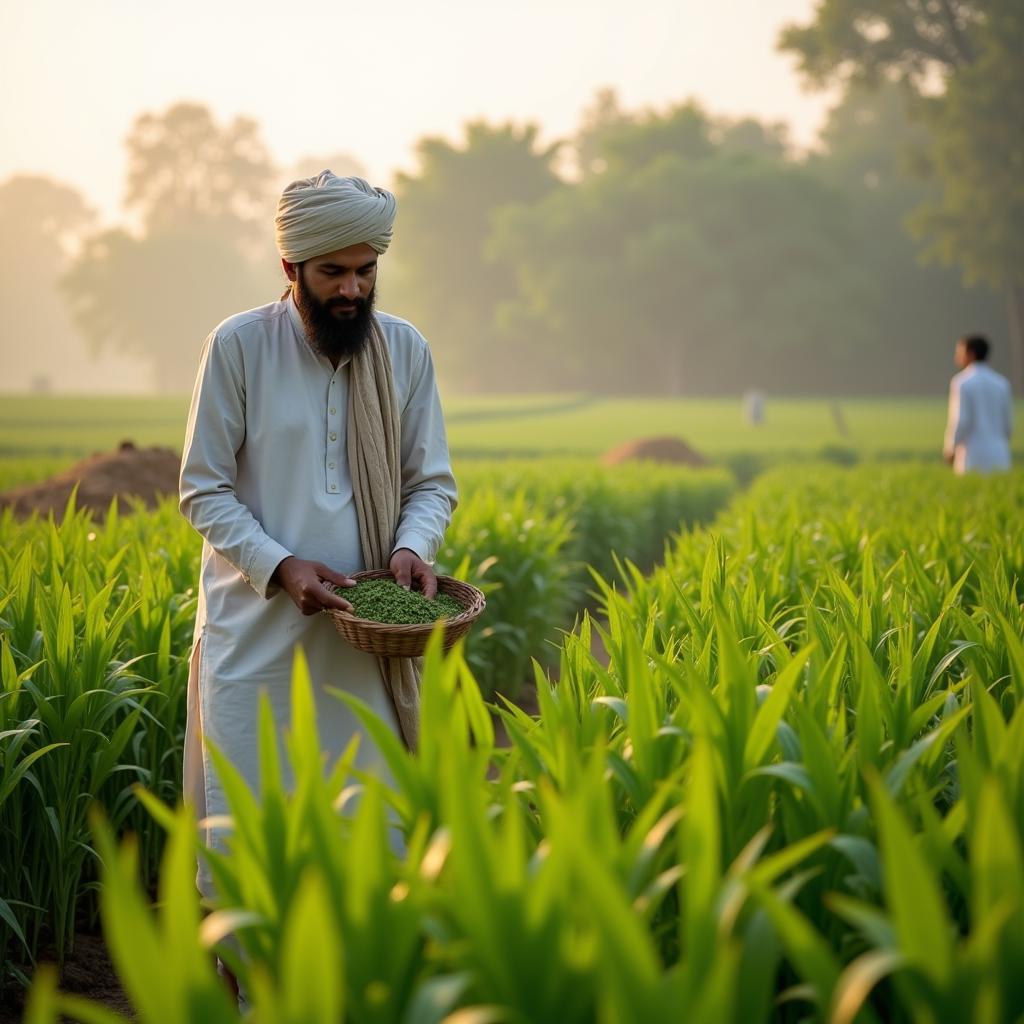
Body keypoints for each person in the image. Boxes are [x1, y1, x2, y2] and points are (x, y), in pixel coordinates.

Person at [178, 172, 457, 996]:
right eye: (334, 273)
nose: (353, 290)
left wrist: (411, 546)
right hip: (253, 643)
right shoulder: (238, 346)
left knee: (374, 833)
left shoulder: (404, 349)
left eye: (366, 271)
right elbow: (203, 487)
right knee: (251, 843)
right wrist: (282, 566)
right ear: (290, 265)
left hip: (361, 652)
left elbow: (431, 481)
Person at [942, 335, 1013, 474]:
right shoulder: (1002, 383)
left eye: (960, 353)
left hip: (972, 455)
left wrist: (950, 447)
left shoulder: (961, 382)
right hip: (1000, 454)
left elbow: (961, 421)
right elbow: (1008, 425)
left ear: (971, 354)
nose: (957, 357)